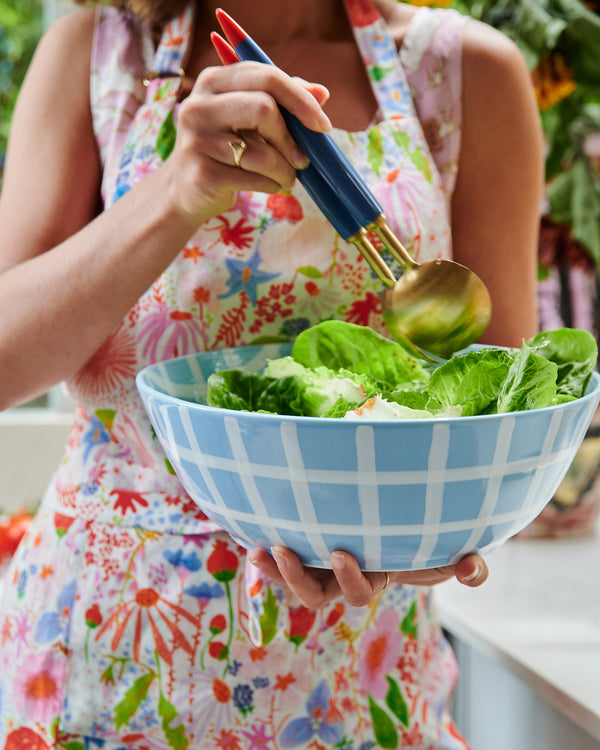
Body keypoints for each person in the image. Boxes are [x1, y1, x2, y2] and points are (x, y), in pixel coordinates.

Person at [0, 0, 543, 747]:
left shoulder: (463, 74)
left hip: (358, 676)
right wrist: (178, 190)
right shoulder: (99, 57)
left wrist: (427, 537)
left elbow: (506, 417)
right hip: (105, 656)